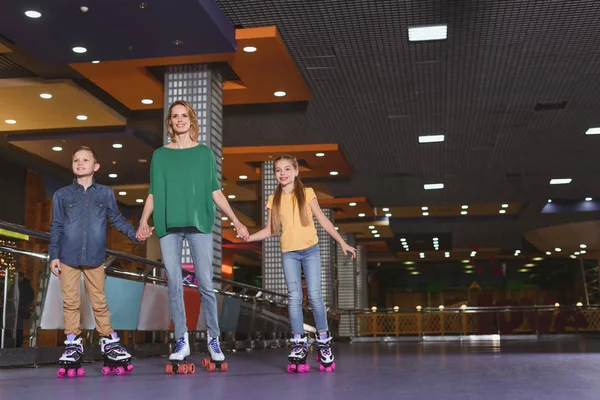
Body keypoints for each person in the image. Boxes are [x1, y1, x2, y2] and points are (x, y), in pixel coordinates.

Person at [136, 100, 249, 365]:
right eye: (175, 116)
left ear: (191, 120)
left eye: (184, 115)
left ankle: (213, 338)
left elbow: (215, 191)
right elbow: (153, 192)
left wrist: (236, 220)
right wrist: (143, 220)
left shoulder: (204, 153)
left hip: (199, 224)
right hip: (168, 225)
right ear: (170, 122)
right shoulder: (160, 155)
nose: (179, 120)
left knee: (206, 285)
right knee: (174, 285)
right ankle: (181, 339)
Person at [245, 155, 356, 372]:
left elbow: (323, 220)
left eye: (287, 169)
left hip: (311, 251)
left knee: (314, 296)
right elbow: (270, 230)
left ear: (296, 171)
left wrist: (342, 242)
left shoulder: (307, 193)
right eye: (278, 170)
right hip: (289, 253)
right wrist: (249, 237)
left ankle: (323, 341)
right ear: (275, 174)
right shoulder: (273, 200)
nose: (282, 173)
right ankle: (299, 342)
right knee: (294, 298)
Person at [48, 145, 152, 375]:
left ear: (95, 166)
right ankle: (73, 342)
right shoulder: (62, 195)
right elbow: (56, 226)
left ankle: (108, 341)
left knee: (99, 301)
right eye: (76, 160)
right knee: (71, 301)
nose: (80, 163)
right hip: (67, 255)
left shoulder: (105, 193)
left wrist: (135, 235)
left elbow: (115, 218)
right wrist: (53, 254)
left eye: (85, 160)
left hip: (95, 257)